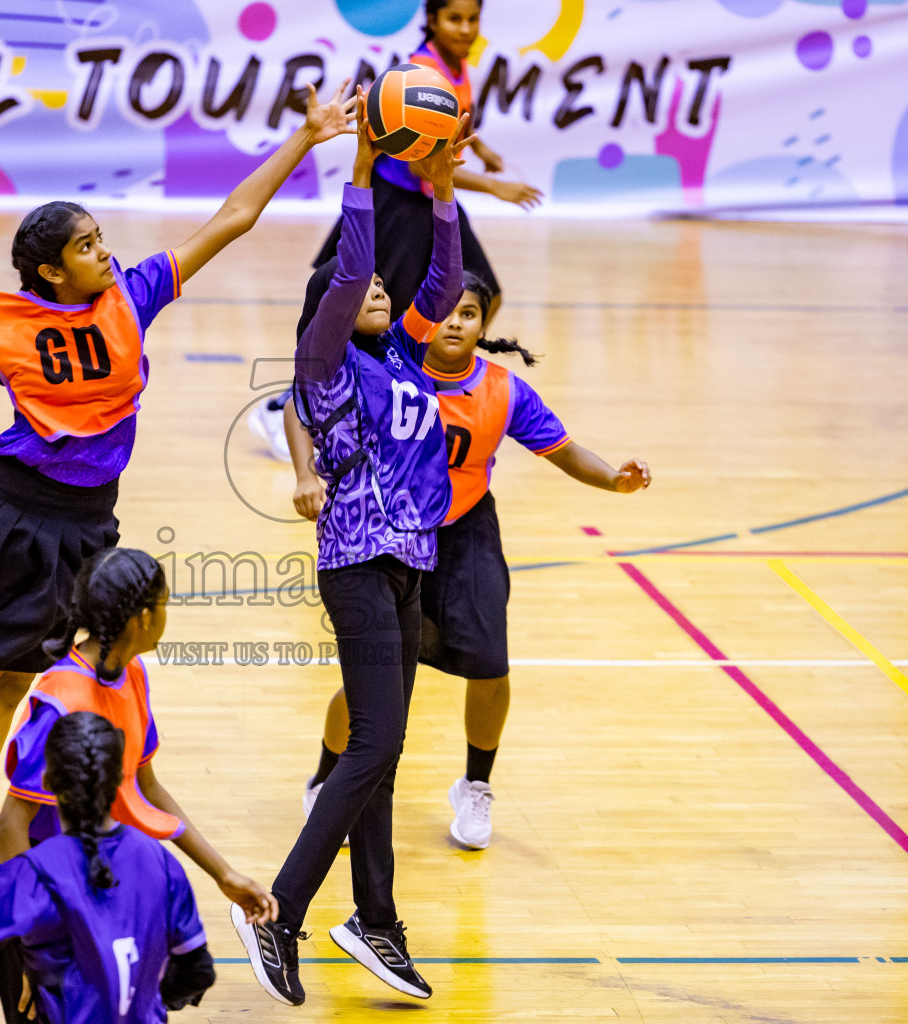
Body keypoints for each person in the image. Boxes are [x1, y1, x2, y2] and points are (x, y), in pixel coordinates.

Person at [0, 83, 356, 927]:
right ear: (47, 270)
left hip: (87, 522)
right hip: (11, 511)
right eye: (87, 246)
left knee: (15, 683)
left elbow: (232, 218)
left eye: (103, 239)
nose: (106, 252)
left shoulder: (132, 296)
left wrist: (306, 138)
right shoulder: (3, 328)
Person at [232, 89, 466, 1007]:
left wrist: (443, 193)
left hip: (408, 566)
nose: (377, 290)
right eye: (363, 288)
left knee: (384, 749)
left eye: (380, 290)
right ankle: (280, 916)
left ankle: (378, 922)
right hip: (358, 562)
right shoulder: (326, 361)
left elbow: (443, 290)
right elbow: (349, 271)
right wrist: (365, 167)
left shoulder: (404, 357)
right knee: (373, 744)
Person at [285, 272, 650, 851]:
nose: (456, 322)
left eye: (471, 314)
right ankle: (326, 779)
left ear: (485, 326)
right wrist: (304, 474)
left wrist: (613, 480)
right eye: (448, 310)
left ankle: (475, 785)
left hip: (467, 532)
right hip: (394, 534)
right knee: (376, 688)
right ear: (427, 315)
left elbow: (562, 449)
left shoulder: (502, 390)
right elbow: (300, 404)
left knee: (490, 663)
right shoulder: (389, 364)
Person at [0, 548, 275, 1023]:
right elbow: (10, 827)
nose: (166, 614)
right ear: (142, 618)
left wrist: (222, 873)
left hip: (100, 879)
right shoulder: (61, 699)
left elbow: (146, 788)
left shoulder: (132, 674)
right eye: (164, 604)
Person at [250, 0, 541, 463]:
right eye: (454, 19)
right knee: (363, 319)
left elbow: (451, 124)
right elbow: (428, 163)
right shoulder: (422, 70)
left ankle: (415, 400)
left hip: (427, 199)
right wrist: (493, 185)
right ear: (430, 20)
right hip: (398, 204)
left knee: (477, 297)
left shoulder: (457, 64)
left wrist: (480, 148)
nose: (464, 28)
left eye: (472, 19)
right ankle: (288, 406)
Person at [0, 711, 218, 1024]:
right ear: (121, 778)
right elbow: (198, 973)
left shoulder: (33, 873)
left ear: (46, 782)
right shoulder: (161, 862)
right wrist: (143, 1000)